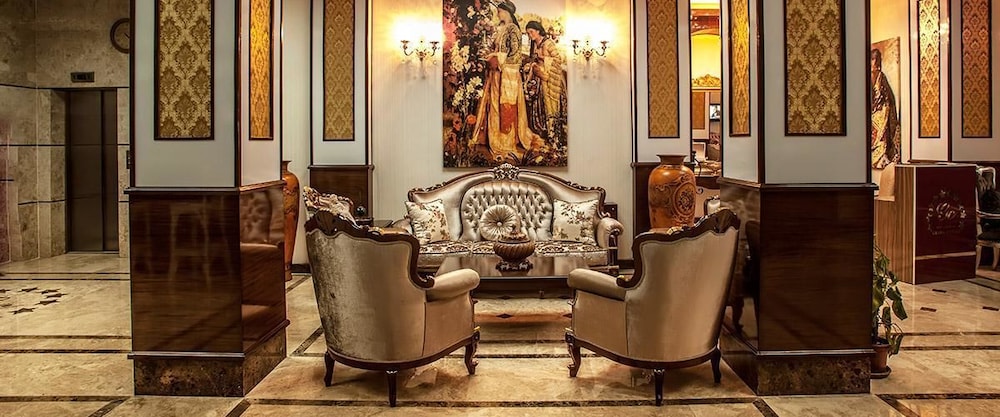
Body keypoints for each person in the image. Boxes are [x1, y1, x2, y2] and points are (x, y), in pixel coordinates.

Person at [470, 0, 540, 161]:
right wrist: (491, 55)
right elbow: (499, 50)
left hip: (507, 75)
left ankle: (505, 142)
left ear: (507, 12)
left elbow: (515, 55)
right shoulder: (501, 29)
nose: (498, 14)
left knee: (505, 107)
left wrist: (497, 57)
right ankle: (493, 139)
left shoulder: (513, 29)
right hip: (496, 74)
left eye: (500, 11)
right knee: (494, 106)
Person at [523, 20, 566, 139]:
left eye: (531, 32)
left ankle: (552, 133)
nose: (530, 35)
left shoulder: (548, 43)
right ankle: (542, 131)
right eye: (528, 33)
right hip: (539, 78)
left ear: (538, 31)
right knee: (539, 104)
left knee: (550, 106)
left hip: (549, 79)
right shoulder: (535, 44)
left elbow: (558, 59)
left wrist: (542, 57)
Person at [870, 49, 900, 170]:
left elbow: (889, 97)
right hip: (872, 112)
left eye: (875, 60)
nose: (873, 63)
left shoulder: (881, 77)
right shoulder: (866, 77)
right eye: (872, 59)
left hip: (882, 111)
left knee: (882, 134)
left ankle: (882, 157)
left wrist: (884, 107)